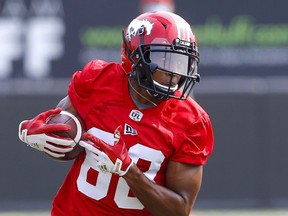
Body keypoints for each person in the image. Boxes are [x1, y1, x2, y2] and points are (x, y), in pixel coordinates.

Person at [18, 11, 214, 216]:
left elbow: (178, 210)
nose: (174, 73)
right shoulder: (98, 80)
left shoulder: (192, 121)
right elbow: (67, 137)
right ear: (136, 57)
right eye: (165, 60)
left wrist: (129, 171)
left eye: (180, 62)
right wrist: (41, 129)